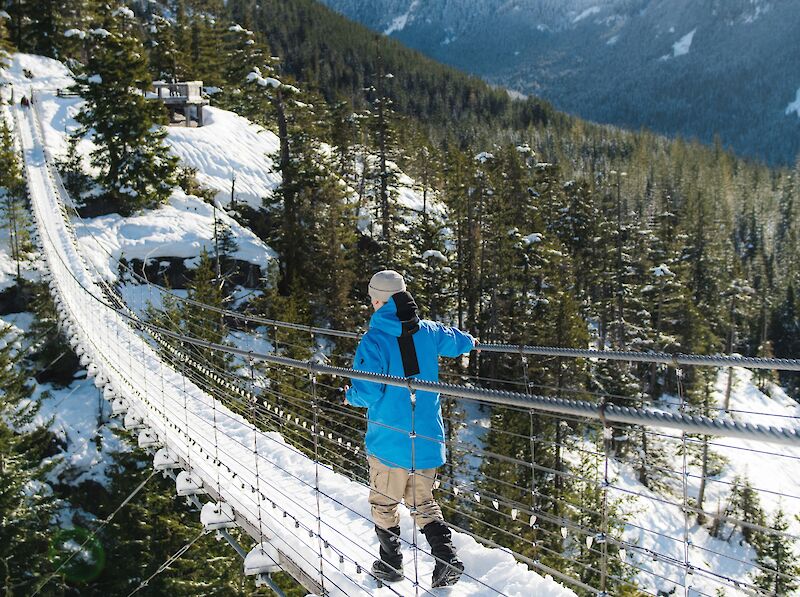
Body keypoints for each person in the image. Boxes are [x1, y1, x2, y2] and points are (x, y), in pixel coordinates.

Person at [345, 270, 476, 587]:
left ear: (377, 300)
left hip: (389, 443)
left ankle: (390, 564)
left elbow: (368, 390)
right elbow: (458, 342)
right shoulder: (429, 330)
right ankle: (446, 559)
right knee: (423, 502)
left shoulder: (374, 338)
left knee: (383, 503)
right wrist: (471, 342)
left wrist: (350, 395)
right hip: (428, 440)